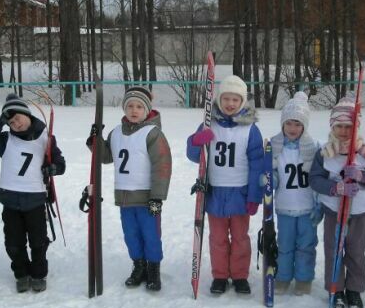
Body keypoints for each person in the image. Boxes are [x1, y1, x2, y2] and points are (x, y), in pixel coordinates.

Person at [87, 86, 172, 291]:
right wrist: (95, 141)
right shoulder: (116, 133)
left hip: (146, 197)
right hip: (124, 197)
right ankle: (139, 266)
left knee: (150, 235)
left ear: (147, 110)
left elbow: (162, 165)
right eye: (130, 106)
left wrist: (157, 197)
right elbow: (106, 157)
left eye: (140, 106)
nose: (134, 110)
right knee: (131, 235)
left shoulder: (152, 133)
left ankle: (153, 269)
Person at [0, 94, 65, 293]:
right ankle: (21, 274)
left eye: (17, 117)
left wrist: (53, 168)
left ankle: (38, 274)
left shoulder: (46, 137)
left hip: (35, 199)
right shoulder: (5, 140)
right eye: (10, 121)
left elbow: (60, 163)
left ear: (27, 114)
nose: (15, 123)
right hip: (10, 201)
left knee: (38, 242)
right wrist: (0, 121)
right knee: (13, 243)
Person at [187, 75, 263, 295]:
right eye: (226, 99)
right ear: (219, 100)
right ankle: (220, 275)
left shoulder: (251, 129)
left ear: (243, 102)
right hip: (215, 192)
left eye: (235, 100)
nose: (230, 104)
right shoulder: (209, 123)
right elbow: (194, 156)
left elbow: (257, 165)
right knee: (217, 238)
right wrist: (196, 141)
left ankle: (240, 275)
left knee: (240, 237)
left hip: (240, 191)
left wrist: (254, 196)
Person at [309, 96, 365, 308]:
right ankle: (336, 287)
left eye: (348, 126)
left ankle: (354, 289)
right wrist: (336, 188)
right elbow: (315, 179)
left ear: (356, 127)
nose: (343, 131)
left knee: (355, 250)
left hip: (360, 210)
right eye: (339, 126)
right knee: (334, 249)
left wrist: (363, 177)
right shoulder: (324, 153)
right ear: (332, 127)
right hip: (334, 209)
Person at [269, 91, 319, 296]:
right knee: (285, 244)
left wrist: (320, 203)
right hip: (284, 206)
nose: (292, 128)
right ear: (282, 124)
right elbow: (272, 171)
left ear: (304, 127)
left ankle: (304, 278)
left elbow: (320, 175)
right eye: (289, 123)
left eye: (297, 124)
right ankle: (283, 277)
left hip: (307, 206)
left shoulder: (313, 147)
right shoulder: (275, 147)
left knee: (306, 245)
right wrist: (268, 180)